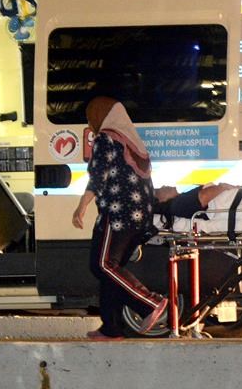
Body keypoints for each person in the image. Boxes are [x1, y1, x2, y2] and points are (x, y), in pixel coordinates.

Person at [72, 96, 167, 340]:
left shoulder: (106, 138)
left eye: (90, 117)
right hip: (140, 217)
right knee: (112, 271)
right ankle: (111, 327)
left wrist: (81, 206)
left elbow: (98, 175)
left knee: (102, 265)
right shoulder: (132, 141)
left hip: (118, 215)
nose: (90, 123)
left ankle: (149, 302)